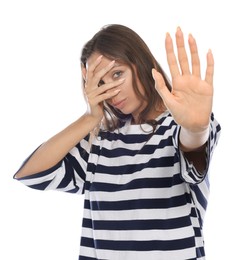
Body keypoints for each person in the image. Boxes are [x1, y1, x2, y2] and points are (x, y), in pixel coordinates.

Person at [14, 24, 221, 260]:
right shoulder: (100, 142)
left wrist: (196, 128)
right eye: (100, 83)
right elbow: (30, 174)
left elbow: (193, 153)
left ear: (141, 64)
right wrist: (90, 118)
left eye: (117, 74)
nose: (111, 91)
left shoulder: (177, 128)